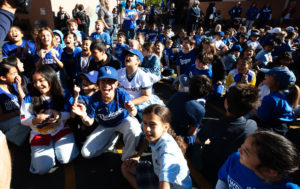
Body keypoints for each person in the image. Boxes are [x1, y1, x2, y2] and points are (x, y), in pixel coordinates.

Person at [192, 84, 259, 185]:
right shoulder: (252, 125)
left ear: (226, 103)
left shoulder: (212, 125)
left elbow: (197, 141)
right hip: (233, 173)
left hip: (210, 170)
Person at [71, 66, 142, 161]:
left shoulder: (121, 94)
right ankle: (112, 140)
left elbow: (133, 113)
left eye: (110, 81)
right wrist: (83, 115)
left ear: (116, 84)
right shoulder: (94, 99)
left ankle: (128, 157)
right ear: (98, 84)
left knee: (135, 129)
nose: (106, 85)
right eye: (103, 81)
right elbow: (90, 122)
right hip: (106, 126)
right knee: (86, 154)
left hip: (123, 121)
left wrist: (132, 109)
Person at [20, 65, 79, 174]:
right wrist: (35, 120)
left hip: (60, 129)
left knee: (66, 159)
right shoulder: (29, 98)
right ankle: (40, 154)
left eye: (41, 81)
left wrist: (59, 116)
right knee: (42, 169)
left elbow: (71, 115)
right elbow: (23, 120)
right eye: (35, 81)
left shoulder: (64, 93)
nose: (38, 85)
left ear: (51, 78)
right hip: (39, 133)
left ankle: (55, 150)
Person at [121, 104, 193, 189]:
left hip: (174, 186)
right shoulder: (157, 136)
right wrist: (138, 156)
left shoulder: (167, 154)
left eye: (152, 124)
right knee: (126, 167)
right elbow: (147, 140)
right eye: (145, 123)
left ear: (165, 127)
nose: (147, 129)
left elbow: (165, 184)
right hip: (157, 172)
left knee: (126, 168)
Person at [216, 130, 300, 189]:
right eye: (243, 145)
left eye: (246, 151)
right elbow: (223, 180)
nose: (239, 150)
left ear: (268, 171)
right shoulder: (235, 159)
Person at [167, 75, 212, 146]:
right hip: (176, 138)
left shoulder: (177, 95)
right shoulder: (200, 109)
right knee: (203, 133)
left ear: (189, 85)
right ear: (206, 94)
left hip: (163, 129)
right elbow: (191, 133)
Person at [257, 67, 300, 135]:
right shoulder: (287, 94)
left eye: (269, 75)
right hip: (284, 130)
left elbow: (262, 117)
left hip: (271, 133)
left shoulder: (270, 98)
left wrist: (251, 108)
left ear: (277, 82)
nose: (265, 75)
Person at [118, 49, 164, 113]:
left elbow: (146, 96)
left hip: (139, 103)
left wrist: (131, 103)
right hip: (123, 102)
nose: (127, 57)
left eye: (130, 55)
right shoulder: (118, 73)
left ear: (138, 61)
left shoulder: (143, 76)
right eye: (126, 55)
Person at [0, 62, 30, 146]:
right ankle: (6, 142)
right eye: (13, 74)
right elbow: (1, 118)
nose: (17, 75)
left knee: (28, 119)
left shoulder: (13, 86)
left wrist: (19, 87)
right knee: (24, 122)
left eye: (17, 72)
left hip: (17, 117)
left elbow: (26, 101)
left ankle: (14, 139)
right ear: (3, 77)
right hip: (5, 121)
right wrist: (17, 113)